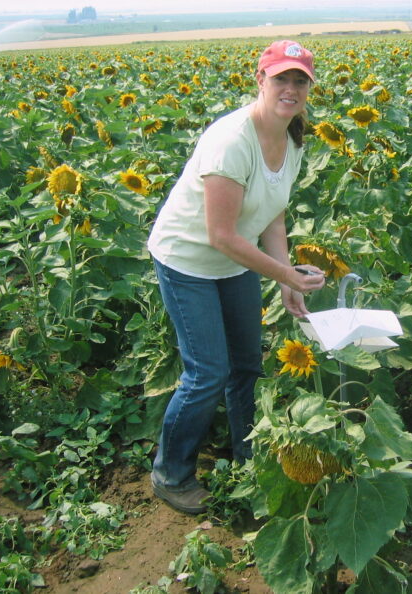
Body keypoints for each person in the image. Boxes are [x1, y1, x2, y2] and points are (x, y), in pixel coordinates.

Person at [146, 40, 326, 514]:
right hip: (188, 261)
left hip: (236, 262)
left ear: (309, 88)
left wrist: (286, 278)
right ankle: (170, 472)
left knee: (247, 364)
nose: (290, 88)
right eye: (281, 78)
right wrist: (285, 272)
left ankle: (249, 458)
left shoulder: (290, 139)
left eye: (299, 81)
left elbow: (273, 215)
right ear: (260, 80)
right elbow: (221, 235)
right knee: (207, 372)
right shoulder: (231, 141)